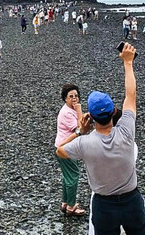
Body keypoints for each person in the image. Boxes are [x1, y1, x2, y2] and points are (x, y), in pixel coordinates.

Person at [56, 43, 145, 235]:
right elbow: (131, 95)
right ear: (114, 111)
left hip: (103, 204)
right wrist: (128, 63)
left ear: (91, 117)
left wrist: (80, 130)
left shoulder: (84, 143)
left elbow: (60, 150)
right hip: (132, 200)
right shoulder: (126, 130)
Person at [55, 84, 87, 217]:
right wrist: (79, 109)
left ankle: (65, 202)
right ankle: (71, 206)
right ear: (65, 99)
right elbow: (80, 129)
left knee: (66, 176)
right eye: (71, 96)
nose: (74, 99)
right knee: (73, 176)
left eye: (76, 96)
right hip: (66, 148)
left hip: (62, 147)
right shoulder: (67, 112)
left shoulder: (69, 109)